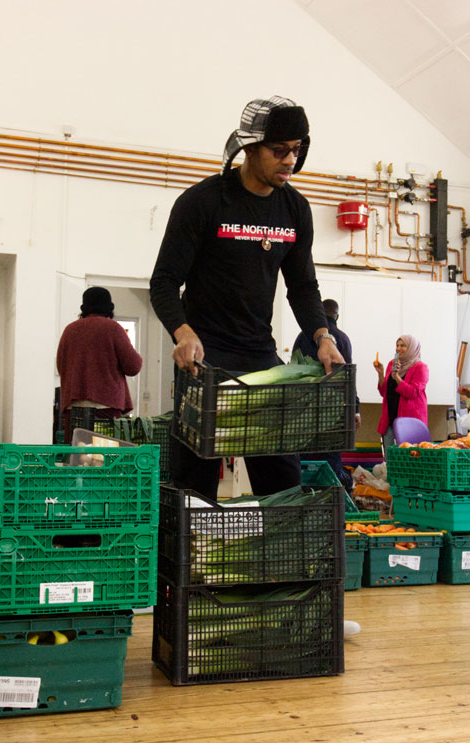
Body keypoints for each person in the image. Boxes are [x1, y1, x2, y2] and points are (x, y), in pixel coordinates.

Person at [150, 95, 345, 502]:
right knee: (195, 484)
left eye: (297, 150)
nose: (290, 160)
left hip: (260, 356)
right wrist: (182, 332)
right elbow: (165, 282)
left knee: (283, 478)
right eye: (279, 151)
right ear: (249, 148)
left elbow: (303, 286)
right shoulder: (201, 203)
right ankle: (192, 562)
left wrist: (322, 335)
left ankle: (279, 560)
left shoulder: (295, 209)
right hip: (205, 360)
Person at [56, 287, 143, 437]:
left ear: (84, 308)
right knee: (105, 457)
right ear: (109, 308)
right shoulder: (113, 329)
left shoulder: (69, 330)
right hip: (107, 407)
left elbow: (60, 366)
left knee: (77, 456)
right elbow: (133, 366)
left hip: (74, 408)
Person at [294, 298, 358, 490]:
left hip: (306, 412)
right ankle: (331, 507)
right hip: (333, 413)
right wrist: (355, 408)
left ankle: (305, 501)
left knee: (304, 463)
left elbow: (295, 374)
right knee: (331, 465)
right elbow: (348, 380)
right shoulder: (342, 339)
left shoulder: (302, 337)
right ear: (337, 316)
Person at [375, 334, 429, 449]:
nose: (398, 348)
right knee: (389, 455)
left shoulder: (420, 367)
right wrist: (380, 374)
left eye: (403, 346)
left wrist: (397, 377)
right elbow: (384, 392)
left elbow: (412, 393)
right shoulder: (392, 364)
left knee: (408, 456)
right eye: (397, 345)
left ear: (412, 348)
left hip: (410, 421)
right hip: (390, 417)